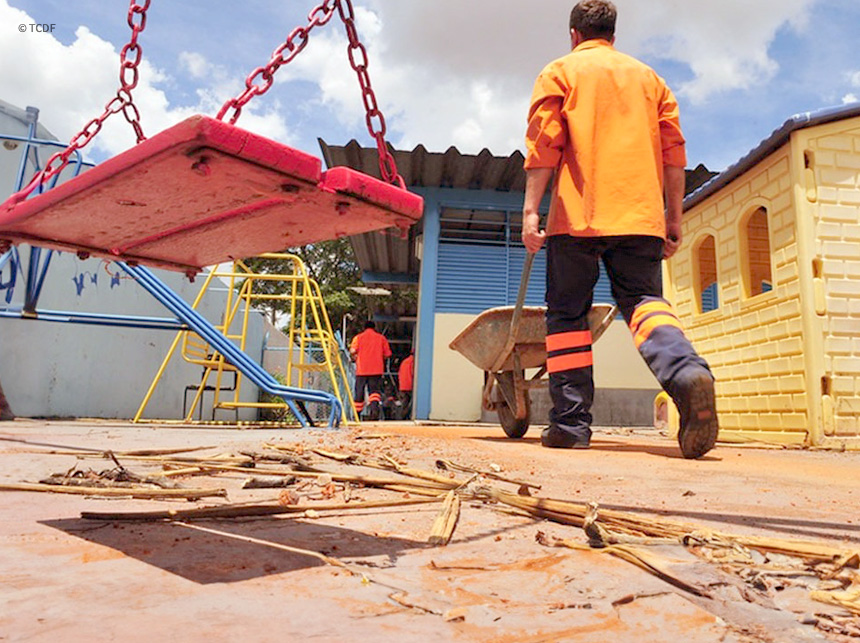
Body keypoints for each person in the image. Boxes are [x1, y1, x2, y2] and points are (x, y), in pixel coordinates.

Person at [522, 0, 718, 458]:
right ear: (612, 34)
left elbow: (544, 147)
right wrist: (674, 216)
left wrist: (532, 211)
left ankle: (570, 424)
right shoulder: (651, 81)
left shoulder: (560, 72)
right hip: (640, 215)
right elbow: (674, 156)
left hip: (576, 216)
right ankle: (686, 371)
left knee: (568, 315)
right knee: (644, 303)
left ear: (574, 34)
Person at [349, 320, 392, 421]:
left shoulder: (358, 338)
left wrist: (355, 357)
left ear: (364, 328)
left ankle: (357, 415)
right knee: (374, 392)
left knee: (359, 391)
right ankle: (374, 411)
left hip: (362, 370)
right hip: (376, 370)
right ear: (374, 328)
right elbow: (388, 354)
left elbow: (352, 351)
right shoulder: (381, 338)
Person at [396, 351, 415, 420]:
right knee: (410, 405)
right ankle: (405, 417)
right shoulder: (414, 362)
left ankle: (401, 418)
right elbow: (413, 373)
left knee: (404, 404)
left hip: (403, 386)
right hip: (410, 386)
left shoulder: (404, 362)